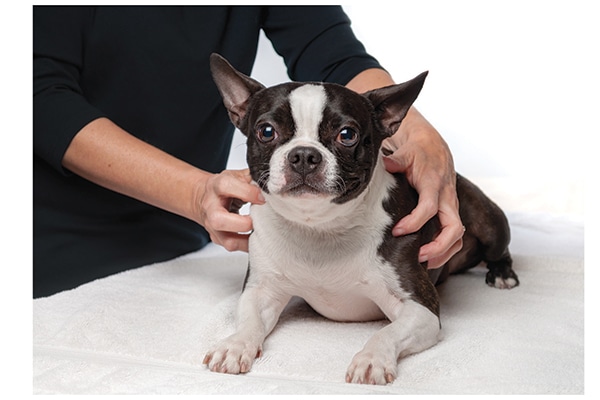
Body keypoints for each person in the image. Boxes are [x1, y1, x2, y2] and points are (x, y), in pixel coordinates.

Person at [33, 6, 464, 298]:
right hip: (42, 234)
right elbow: (37, 94)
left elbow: (334, 54)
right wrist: (192, 191)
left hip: (183, 233)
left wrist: (421, 137)